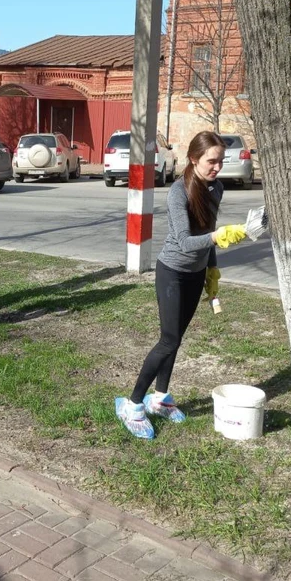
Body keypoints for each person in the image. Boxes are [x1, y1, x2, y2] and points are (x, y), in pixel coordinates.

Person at [115, 131, 252, 440]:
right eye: (211, 161)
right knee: (168, 339)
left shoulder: (216, 188)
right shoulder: (179, 191)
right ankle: (133, 404)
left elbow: (208, 231)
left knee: (176, 340)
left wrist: (212, 270)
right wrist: (218, 237)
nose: (217, 167)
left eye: (220, 161)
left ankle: (160, 398)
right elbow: (186, 241)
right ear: (194, 159)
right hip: (173, 271)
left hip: (195, 273)